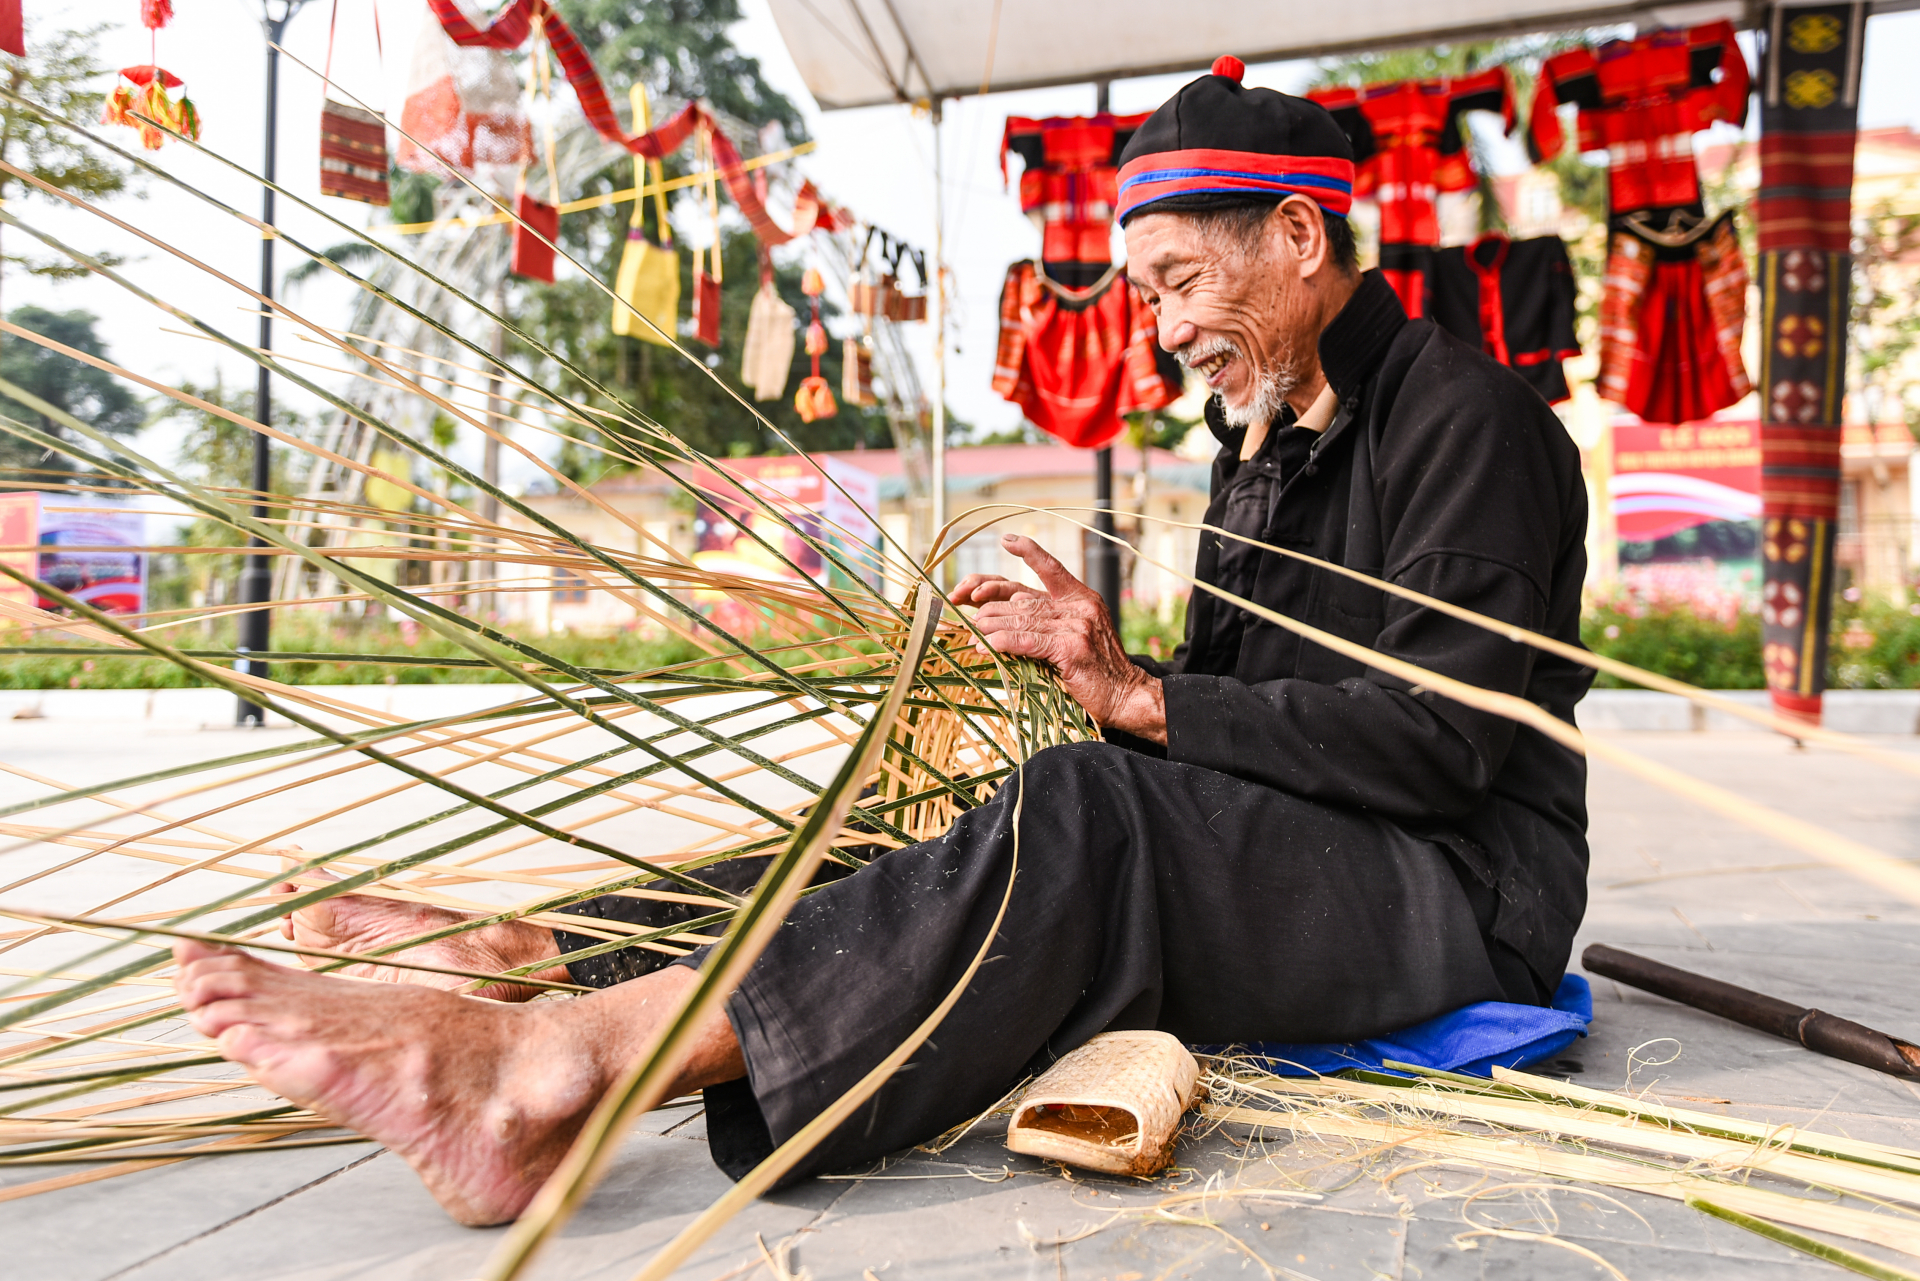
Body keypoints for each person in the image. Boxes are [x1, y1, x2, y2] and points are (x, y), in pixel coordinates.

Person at [171, 58, 1591, 1227]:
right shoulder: (1267, 443)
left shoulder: (1472, 423)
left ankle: (558, 1068)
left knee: (1081, 816)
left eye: (1171, 284)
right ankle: (543, 953)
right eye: (1149, 294)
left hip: (1460, 898)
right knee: (936, 824)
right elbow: (1238, 712)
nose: (1161, 336)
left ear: (1296, 236)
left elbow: (1448, 743)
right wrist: (1106, 667)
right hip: (1325, 846)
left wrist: (1145, 703)